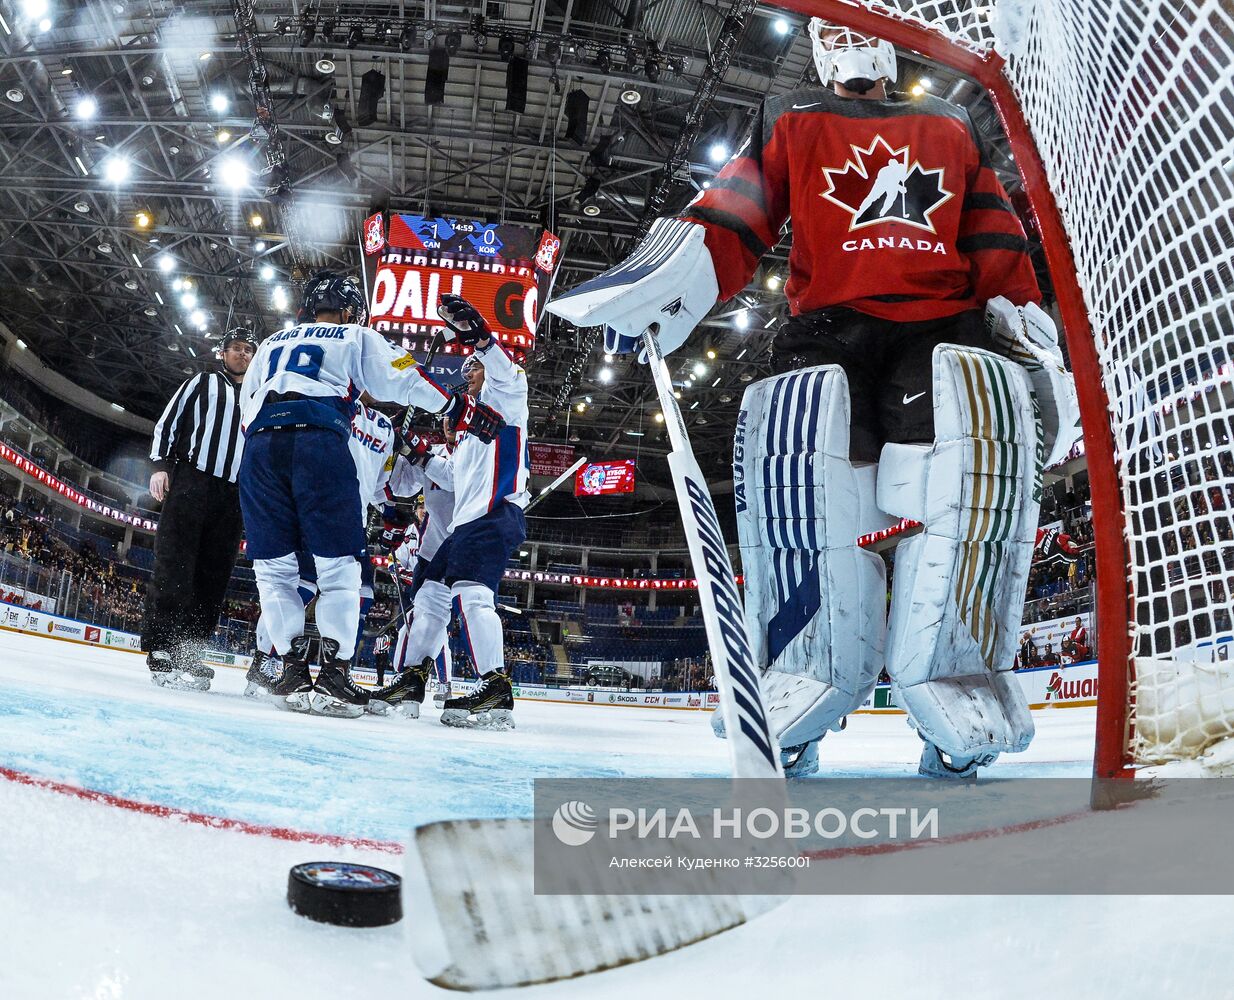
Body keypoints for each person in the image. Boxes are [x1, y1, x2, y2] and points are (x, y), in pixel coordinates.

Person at [547, 19, 1081, 778]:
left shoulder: (947, 126)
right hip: (831, 331)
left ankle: (952, 677)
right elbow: (734, 214)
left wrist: (1030, 336)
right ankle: (806, 672)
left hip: (936, 331)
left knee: (961, 487)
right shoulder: (796, 120)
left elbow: (993, 237)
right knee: (805, 488)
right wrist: (668, 281)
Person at [237, 272, 504, 718]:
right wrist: (460, 410)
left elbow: (248, 413)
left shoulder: (269, 344)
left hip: (261, 448)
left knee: (274, 571)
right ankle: (335, 675)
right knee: (341, 571)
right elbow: (406, 379)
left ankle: (291, 670)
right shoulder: (353, 335)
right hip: (319, 439)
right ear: (347, 310)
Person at [393, 294, 529, 729]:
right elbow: (449, 476)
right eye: (467, 364)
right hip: (465, 523)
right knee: (430, 596)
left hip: (494, 514)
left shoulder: (508, 395)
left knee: (473, 595)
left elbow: (505, 369)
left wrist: (481, 337)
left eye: (473, 364)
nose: (466, 370)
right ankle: (411, 678)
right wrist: (413, 452)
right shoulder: (471, 432)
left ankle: (495, 685)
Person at [244, 399, 397, 704]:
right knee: (303, 585)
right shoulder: (337, 405)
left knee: (344, 590)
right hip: (324, 505)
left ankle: (331, 672)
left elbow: (384, 483)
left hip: (341, 511)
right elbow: (386, 485)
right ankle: (268, 663)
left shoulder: (380, 424)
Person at [142, 329, 256, 691]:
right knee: (175, 562)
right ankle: (161, 646)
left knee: (214, 574)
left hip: (234, 494)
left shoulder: (258, 395)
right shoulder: (202, 382)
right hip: (193, 481)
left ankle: (190, 650)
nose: (243, 355)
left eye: (249, 350)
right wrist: (160, 466)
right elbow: (168, 422)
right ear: (223, 353)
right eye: (237, 348)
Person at [373, 416, 459, 715]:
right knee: (424, 613)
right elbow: (399, 485)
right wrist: (393, 449)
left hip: (466, 542)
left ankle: (488, 682)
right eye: (448, 419)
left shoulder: (477, 448)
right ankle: (409, 685)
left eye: (457, 419)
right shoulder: (436, 450)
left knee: (441, 614)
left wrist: (417, 452)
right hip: (432, 548)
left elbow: (450, 477)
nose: (450, 424)